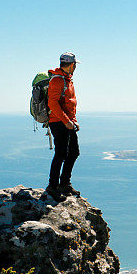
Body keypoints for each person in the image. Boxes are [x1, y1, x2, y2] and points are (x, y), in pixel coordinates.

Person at [46, 52, 81, 200]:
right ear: (71, 65)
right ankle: (52, 187)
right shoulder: (58, 80)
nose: (75, 68)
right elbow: (52, 103)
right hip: (58, 122)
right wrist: (67, 121)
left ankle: (65, 184)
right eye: (75, 65)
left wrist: (73, 120)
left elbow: (69, 104)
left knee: (73, 152)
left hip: (67, 122)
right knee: (61, 153)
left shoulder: (67, 79)